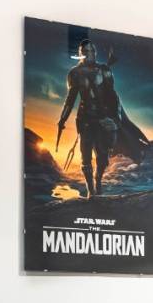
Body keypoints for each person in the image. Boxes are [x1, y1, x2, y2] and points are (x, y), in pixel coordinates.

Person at [55, 40, 121, 196]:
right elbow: (70, 100)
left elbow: (113, 96)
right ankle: (91, 191)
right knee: (85, 157)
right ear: (80, 53)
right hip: (85, 120)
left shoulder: (104, 70)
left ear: (95, 53)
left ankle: (98, 180)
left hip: (102, 118)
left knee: (103, 157)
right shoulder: (75, 73)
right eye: (86, 51)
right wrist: (62, 120)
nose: (89, 53)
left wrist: (115, 119)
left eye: (92, 51)